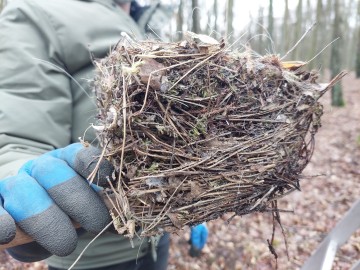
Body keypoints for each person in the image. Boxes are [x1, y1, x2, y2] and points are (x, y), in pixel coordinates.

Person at [0, 0, 208, 269]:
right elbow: (18, 135)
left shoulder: (144, 21)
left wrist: (194, 198)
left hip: (156, 239)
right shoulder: (36, 12)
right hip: (95, 254)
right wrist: (19, 180)